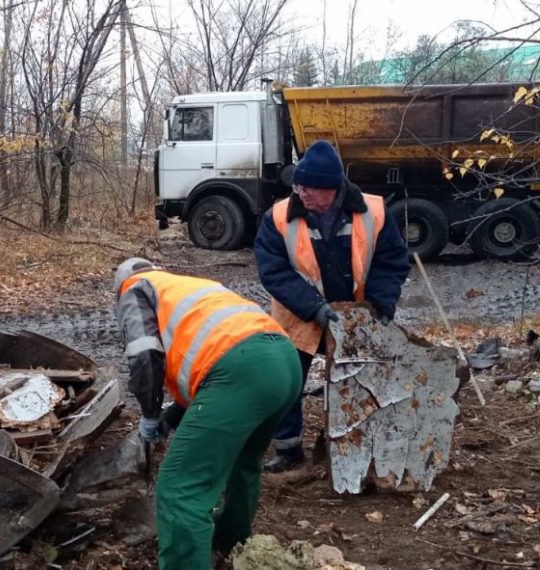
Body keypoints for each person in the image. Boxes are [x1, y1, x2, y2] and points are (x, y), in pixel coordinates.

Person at [113, 257, 301, 570]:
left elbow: (144, 356)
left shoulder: (134, 290)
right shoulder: (190, 286)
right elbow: (202, 364)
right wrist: (169, 419)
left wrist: (149, 414)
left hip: (241, 369)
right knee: (244, 462)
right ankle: (232, 546)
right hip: (283, 360)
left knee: (179, 487)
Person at [254, 140, 411, 473]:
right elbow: (274, 273)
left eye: (310, 188)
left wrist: (379, 306)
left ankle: (361, 443)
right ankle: (288, 448)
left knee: (363, 378)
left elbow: (391, 263)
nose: (302, 194)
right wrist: (315, 307)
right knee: (285, 381)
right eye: (298, 186)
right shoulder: (278, 217)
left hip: (358, 313)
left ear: (333, 189)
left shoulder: (374, 212)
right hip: (298, 315)